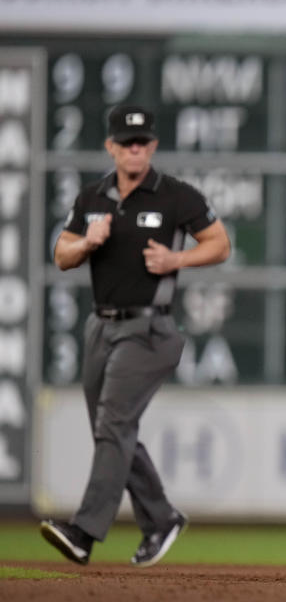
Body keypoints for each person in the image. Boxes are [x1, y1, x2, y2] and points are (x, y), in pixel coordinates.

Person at [39, 104, 231, 567]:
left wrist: (176, 260)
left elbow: (219, 244)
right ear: (110, 147)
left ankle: (84, 532)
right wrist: (87, 242)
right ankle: (160, 518)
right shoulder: (92, 198)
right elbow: (61, 254)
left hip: (150, 327)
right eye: (126, 142)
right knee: (113, 430)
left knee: (113, 425)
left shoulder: (174, 195)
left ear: (153, 147)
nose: (135, 149)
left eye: (142, 141)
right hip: (99, 325)